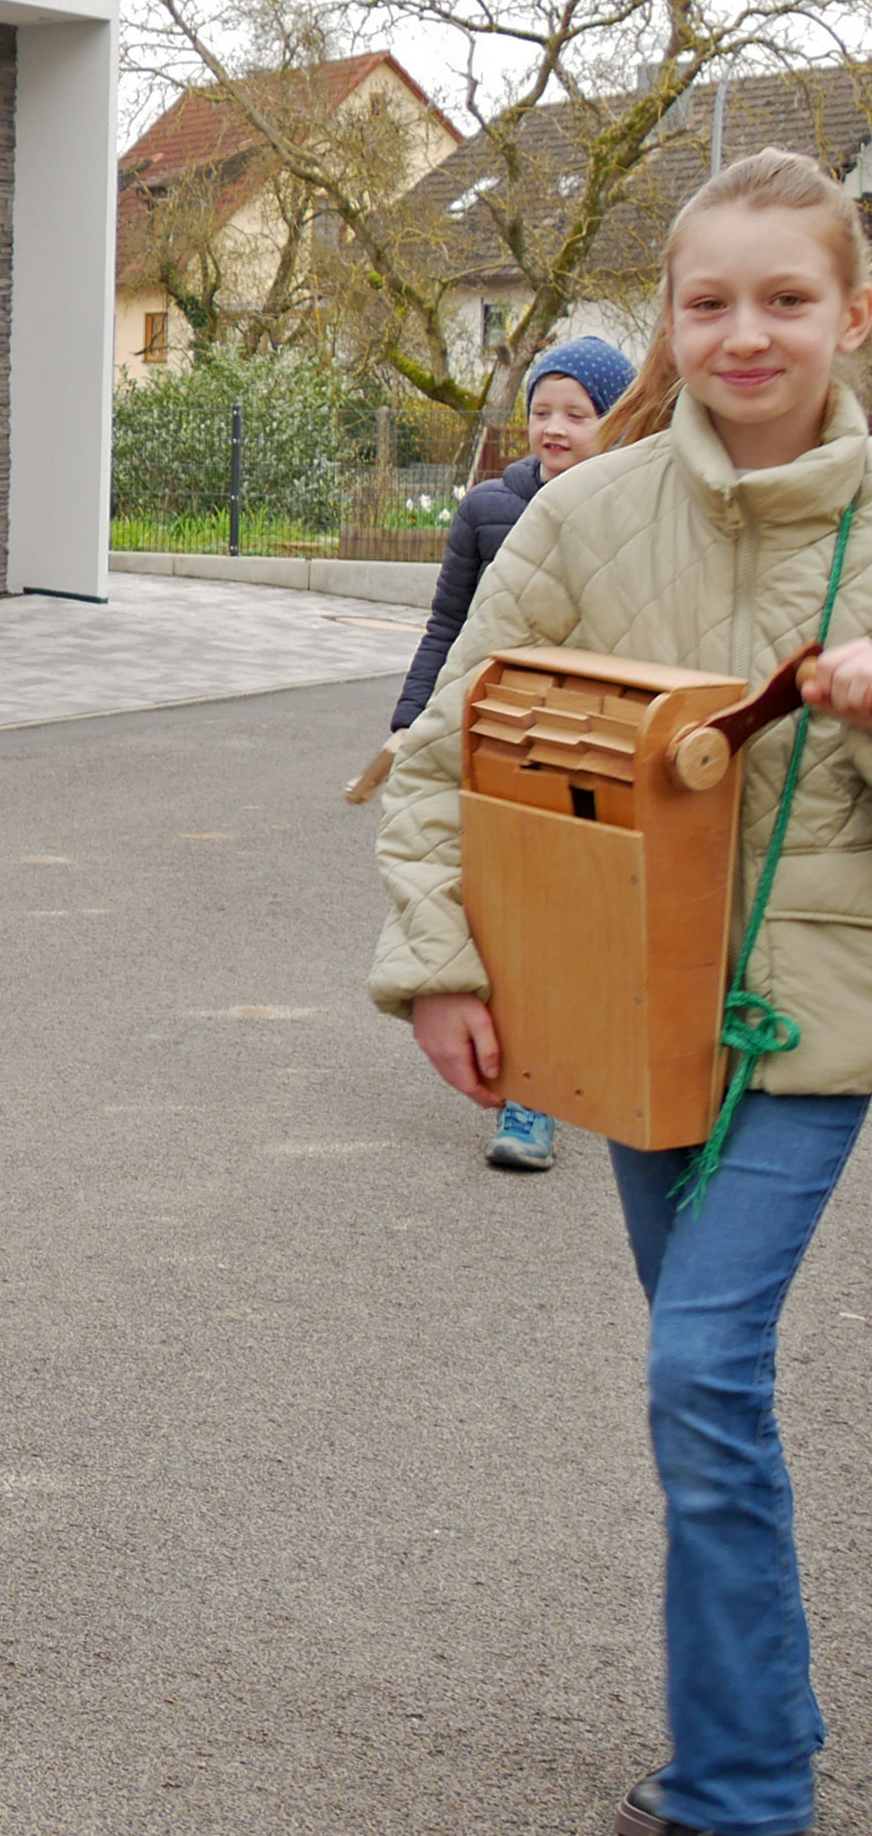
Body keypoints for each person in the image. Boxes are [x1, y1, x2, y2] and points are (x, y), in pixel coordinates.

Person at [374, 149, 872, 1836]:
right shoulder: (583, 513)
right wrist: (437, 964)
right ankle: (765, 1715)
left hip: (816, 1021)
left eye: (786, 297)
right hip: (619, 1008)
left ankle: (742, 1789)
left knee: (700, 1368)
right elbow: (442, 752)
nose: (746, 331)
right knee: (701, 1377)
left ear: (849, 315)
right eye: (708, 299)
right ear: (668, 318)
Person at [380, 334, 633, 1170]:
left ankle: (559, 1075)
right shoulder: (489, 508)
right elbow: (447, 626)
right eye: (541, 410)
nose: (554, 428)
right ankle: (527, 1082)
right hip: (495, 739)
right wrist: (411, 719)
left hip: (590, 743)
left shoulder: (633, 508)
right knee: (507, 913)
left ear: (616, 421)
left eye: (577, 414)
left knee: (575, 914)